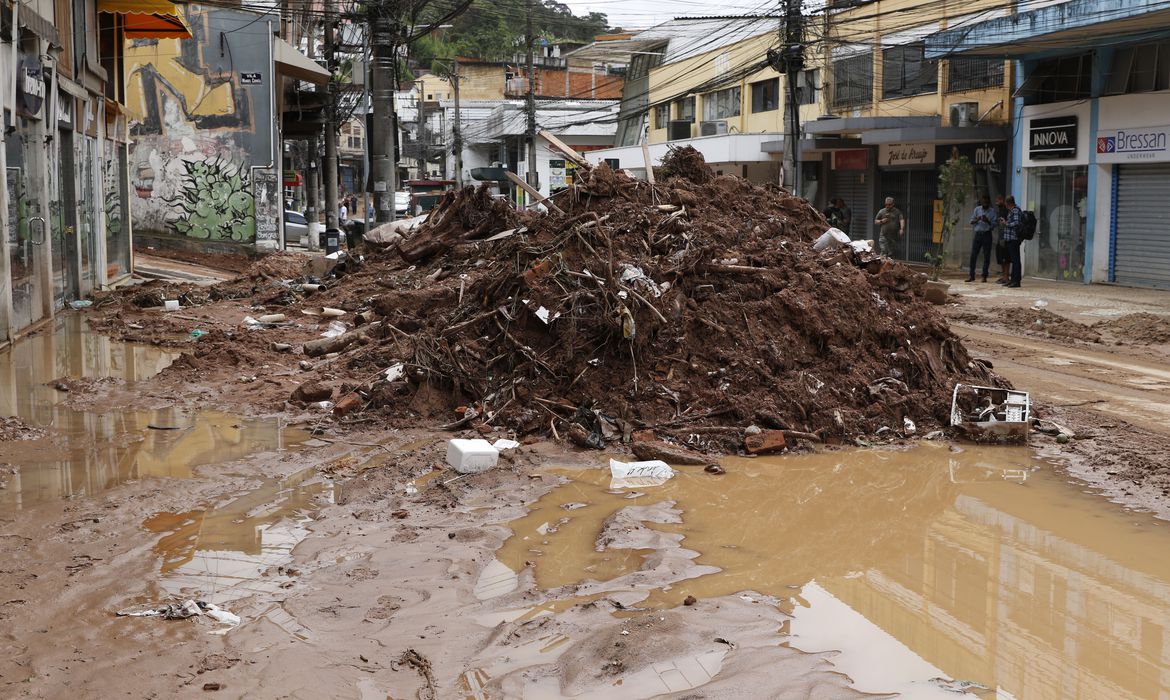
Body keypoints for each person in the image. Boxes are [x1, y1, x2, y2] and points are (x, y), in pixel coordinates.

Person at [967, 194, 996, 282]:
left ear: (989, 202)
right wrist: (978, 219)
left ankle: (984, 276)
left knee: (986, 256)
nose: (985, 203)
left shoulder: (992, 211)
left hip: (987, 234)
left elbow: (994, 225)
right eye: (984, 202)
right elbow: (971, 221)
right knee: (973, 255)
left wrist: (987, 221)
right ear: (982, 202)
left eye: (987, 202)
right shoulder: (977, 209)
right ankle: (972, 275)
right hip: (978, 234)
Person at [999, 195, 1023, 288]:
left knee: (1016, 260)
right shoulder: (1011, 211)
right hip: (1010, 239)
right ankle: (1013, 280)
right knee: (1013, 260)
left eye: (1005, 203)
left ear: (1008, 203)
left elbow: (1017, 223)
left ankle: (1016, 281)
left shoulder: (1016, 210)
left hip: (1014, 239)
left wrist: (1006, 223)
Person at [994, 194, 1010, 283]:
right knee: (1001, 257)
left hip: (1005, 236)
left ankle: (1006, 276)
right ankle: (1004, 275)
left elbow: (1006, 223)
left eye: (999, 200)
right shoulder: (1000, 210)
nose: (997, 202)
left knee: (1006, 257)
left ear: (1003, 200)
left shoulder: (1006, 210)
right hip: (1000, 236)